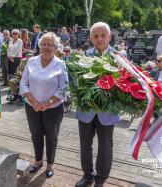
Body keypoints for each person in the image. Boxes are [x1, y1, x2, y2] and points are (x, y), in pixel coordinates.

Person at [75, 22, 120, 187]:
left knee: (105, 147)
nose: (99, 39)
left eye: (103, 35)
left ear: (109, 37)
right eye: (96, 36)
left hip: (107, 112)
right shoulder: (83, 56)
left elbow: (125, 84)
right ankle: (87, 175)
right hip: (86, 110)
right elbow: (75, 81)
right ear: (91, 38)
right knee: (85, 146)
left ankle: (100, 179)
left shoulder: (119, 57)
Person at [20, 32, 68, 178]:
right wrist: (34, 102)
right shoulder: (31, 61)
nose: (46, 47)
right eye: (43, 44)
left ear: (56, 47)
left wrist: (48, 103)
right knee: (36, 134)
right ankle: (38, 161)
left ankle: (50, 164)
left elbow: (63, 88)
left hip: (53, 108)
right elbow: (23, 83)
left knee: (52, 136)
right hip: (31, 106)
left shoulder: (60, 64)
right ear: (39, 46)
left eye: (50, 45)